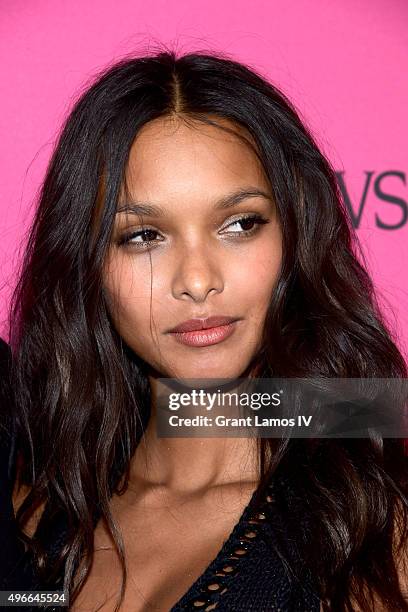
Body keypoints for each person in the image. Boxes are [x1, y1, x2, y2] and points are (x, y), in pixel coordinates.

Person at [1, 47, 407, 611]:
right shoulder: (31, 508)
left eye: (240, 224)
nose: (197, 280)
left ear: (294, 237)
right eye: (142, 236)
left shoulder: (367, 523)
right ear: (87, 265)